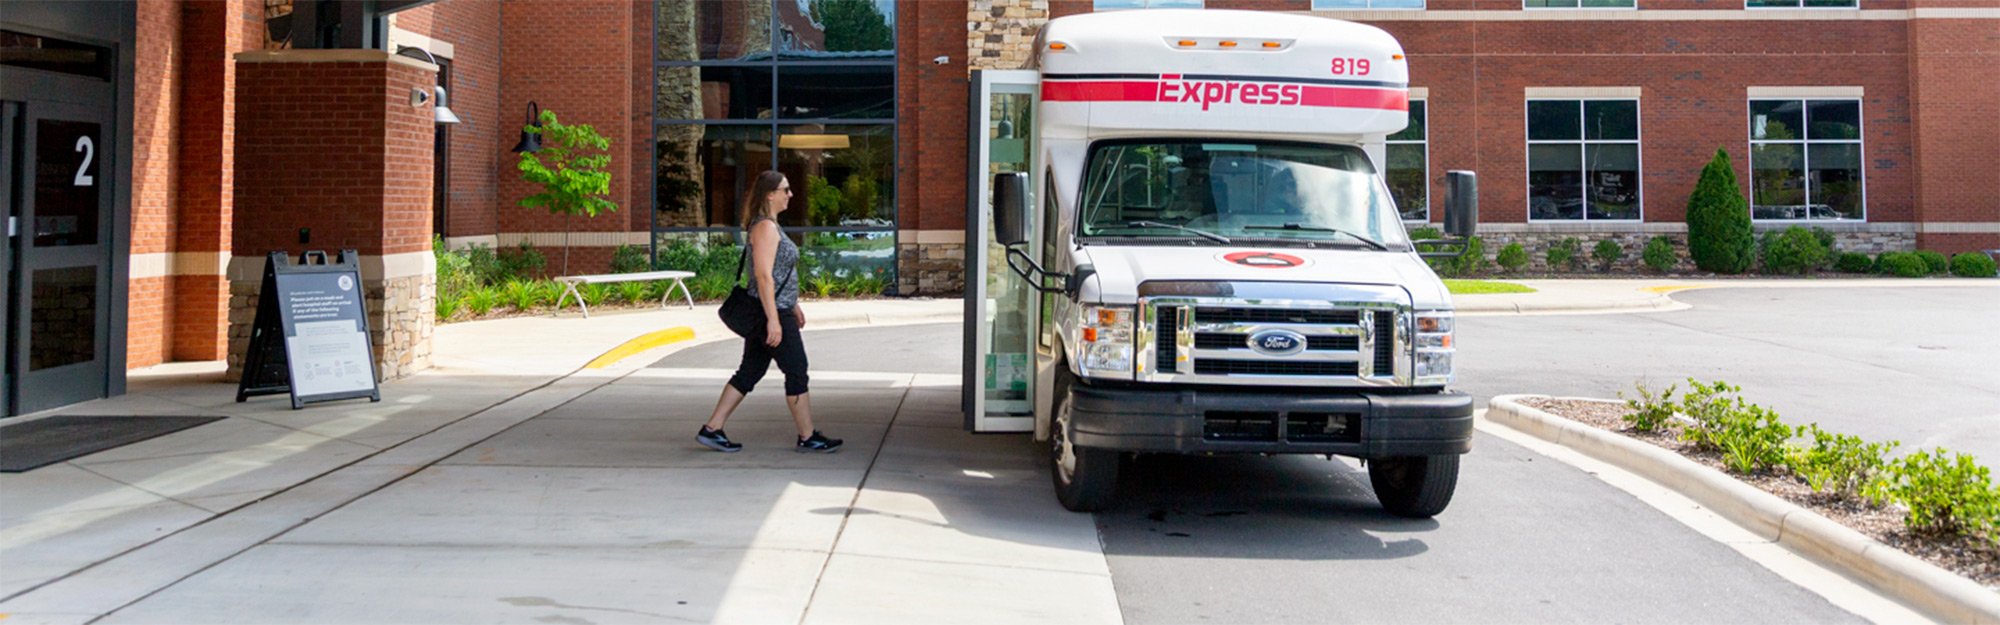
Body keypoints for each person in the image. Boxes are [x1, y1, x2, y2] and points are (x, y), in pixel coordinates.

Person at [696, 171, 843, 453]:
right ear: (769, 194)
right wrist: (774, 320)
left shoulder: (771, 225)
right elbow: (763, 276)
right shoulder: (764, 227)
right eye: (785, 190)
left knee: (750, 371)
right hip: (770, 314)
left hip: (777, 309)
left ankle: (712, 428)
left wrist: (794, 303)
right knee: (797, 370)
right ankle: (807, 435)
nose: (790, 194)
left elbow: (778, 272)